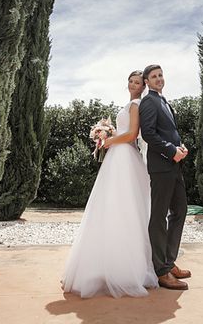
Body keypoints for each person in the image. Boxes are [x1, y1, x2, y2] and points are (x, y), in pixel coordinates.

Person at [61, 71, 158, 298]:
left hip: (124, 156)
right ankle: (107, 265)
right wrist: (110, 136)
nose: (134, 85)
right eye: (131, 82)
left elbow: (132, 135)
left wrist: (108, 140)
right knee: (111, 206)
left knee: (125, 208)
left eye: (138, 82)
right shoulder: (129, 104)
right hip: (118, 156)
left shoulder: (137, 104)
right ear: (127, 83)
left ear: (144, 86)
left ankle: (127, 268)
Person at [139, 64, 191, 291]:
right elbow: (148, 133)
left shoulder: (163, 100)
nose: (159, 79)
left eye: (160, 75)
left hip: (174, 165)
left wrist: (180, 147)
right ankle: (161, 270)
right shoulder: (149, 101)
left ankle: (169, 262)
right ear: (147, 82)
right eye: (154, 76)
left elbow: (168, 132)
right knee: (159, 217)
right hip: (161, 167)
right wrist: (171, 151)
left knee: (180, 210)